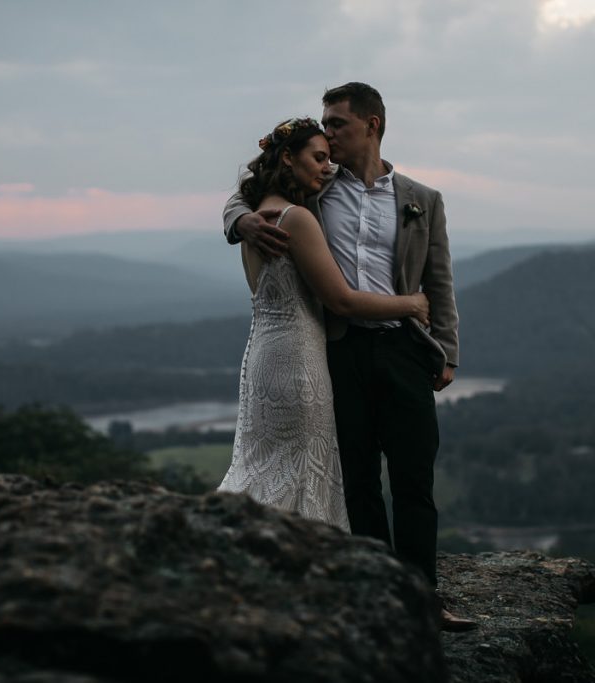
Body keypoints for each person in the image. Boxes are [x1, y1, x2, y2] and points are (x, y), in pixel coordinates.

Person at [223, 84, 476, 631]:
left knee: (413, 478)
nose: (329, 133)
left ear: (372, 125)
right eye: (325, 124)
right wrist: (238, 221)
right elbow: (251, 195)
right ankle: (376, 594)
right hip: (339, 350)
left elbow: (439, 281)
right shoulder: (317, 187)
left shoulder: (421, 198)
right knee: (356, 480)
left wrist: (447, 351)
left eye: (337, 123)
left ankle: (423, 597)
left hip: (404, 349)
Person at [218, 116, 430, 536]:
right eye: (317, 158)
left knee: (265, 465)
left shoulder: (257, 217)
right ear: (287, 157)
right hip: (298, 362)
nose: (326, 167)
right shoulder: (296, 218)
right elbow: (341, 300)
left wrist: (237, 217)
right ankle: (295, 556)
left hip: (263, 356)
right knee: (300, 470)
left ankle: (247, 543)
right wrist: (412, 303)